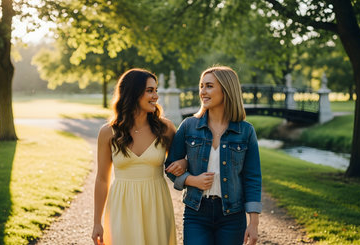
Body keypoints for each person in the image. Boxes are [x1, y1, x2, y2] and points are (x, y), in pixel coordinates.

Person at [165, 66, 262, 245]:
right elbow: (170, 167)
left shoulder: (246, 131)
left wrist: (253, 223)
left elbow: (253, 178)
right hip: (196, 212)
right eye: (201, 86)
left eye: (209, 86)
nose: (202, 91)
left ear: (226, 90)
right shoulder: (188, 126)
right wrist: (191, 180)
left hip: (232, 216)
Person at [91, 68, 180, 245]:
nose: (156, 96)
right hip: (121, 205)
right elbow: (102, 179)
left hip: (156, 204)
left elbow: (181, 161)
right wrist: (96, 222)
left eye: (155, 90)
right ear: (133, 92)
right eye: (150, 90)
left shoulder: (166, 129)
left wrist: (183, 162)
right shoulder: (108, 132)